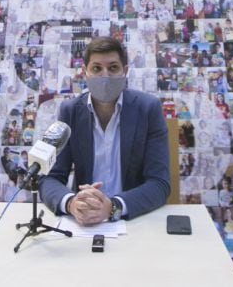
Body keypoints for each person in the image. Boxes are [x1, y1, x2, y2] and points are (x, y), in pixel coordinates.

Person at [40, 36, 170, 226]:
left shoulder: (148, 109)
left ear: (125, 71)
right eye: (96, 69)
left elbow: (159, 184)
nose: (105, 75)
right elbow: (50, 178)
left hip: (133, 220)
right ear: (85, 72)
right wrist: (71, 203)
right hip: (85, 220)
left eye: (113, 68)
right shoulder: (70, 111)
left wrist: (113, 206)